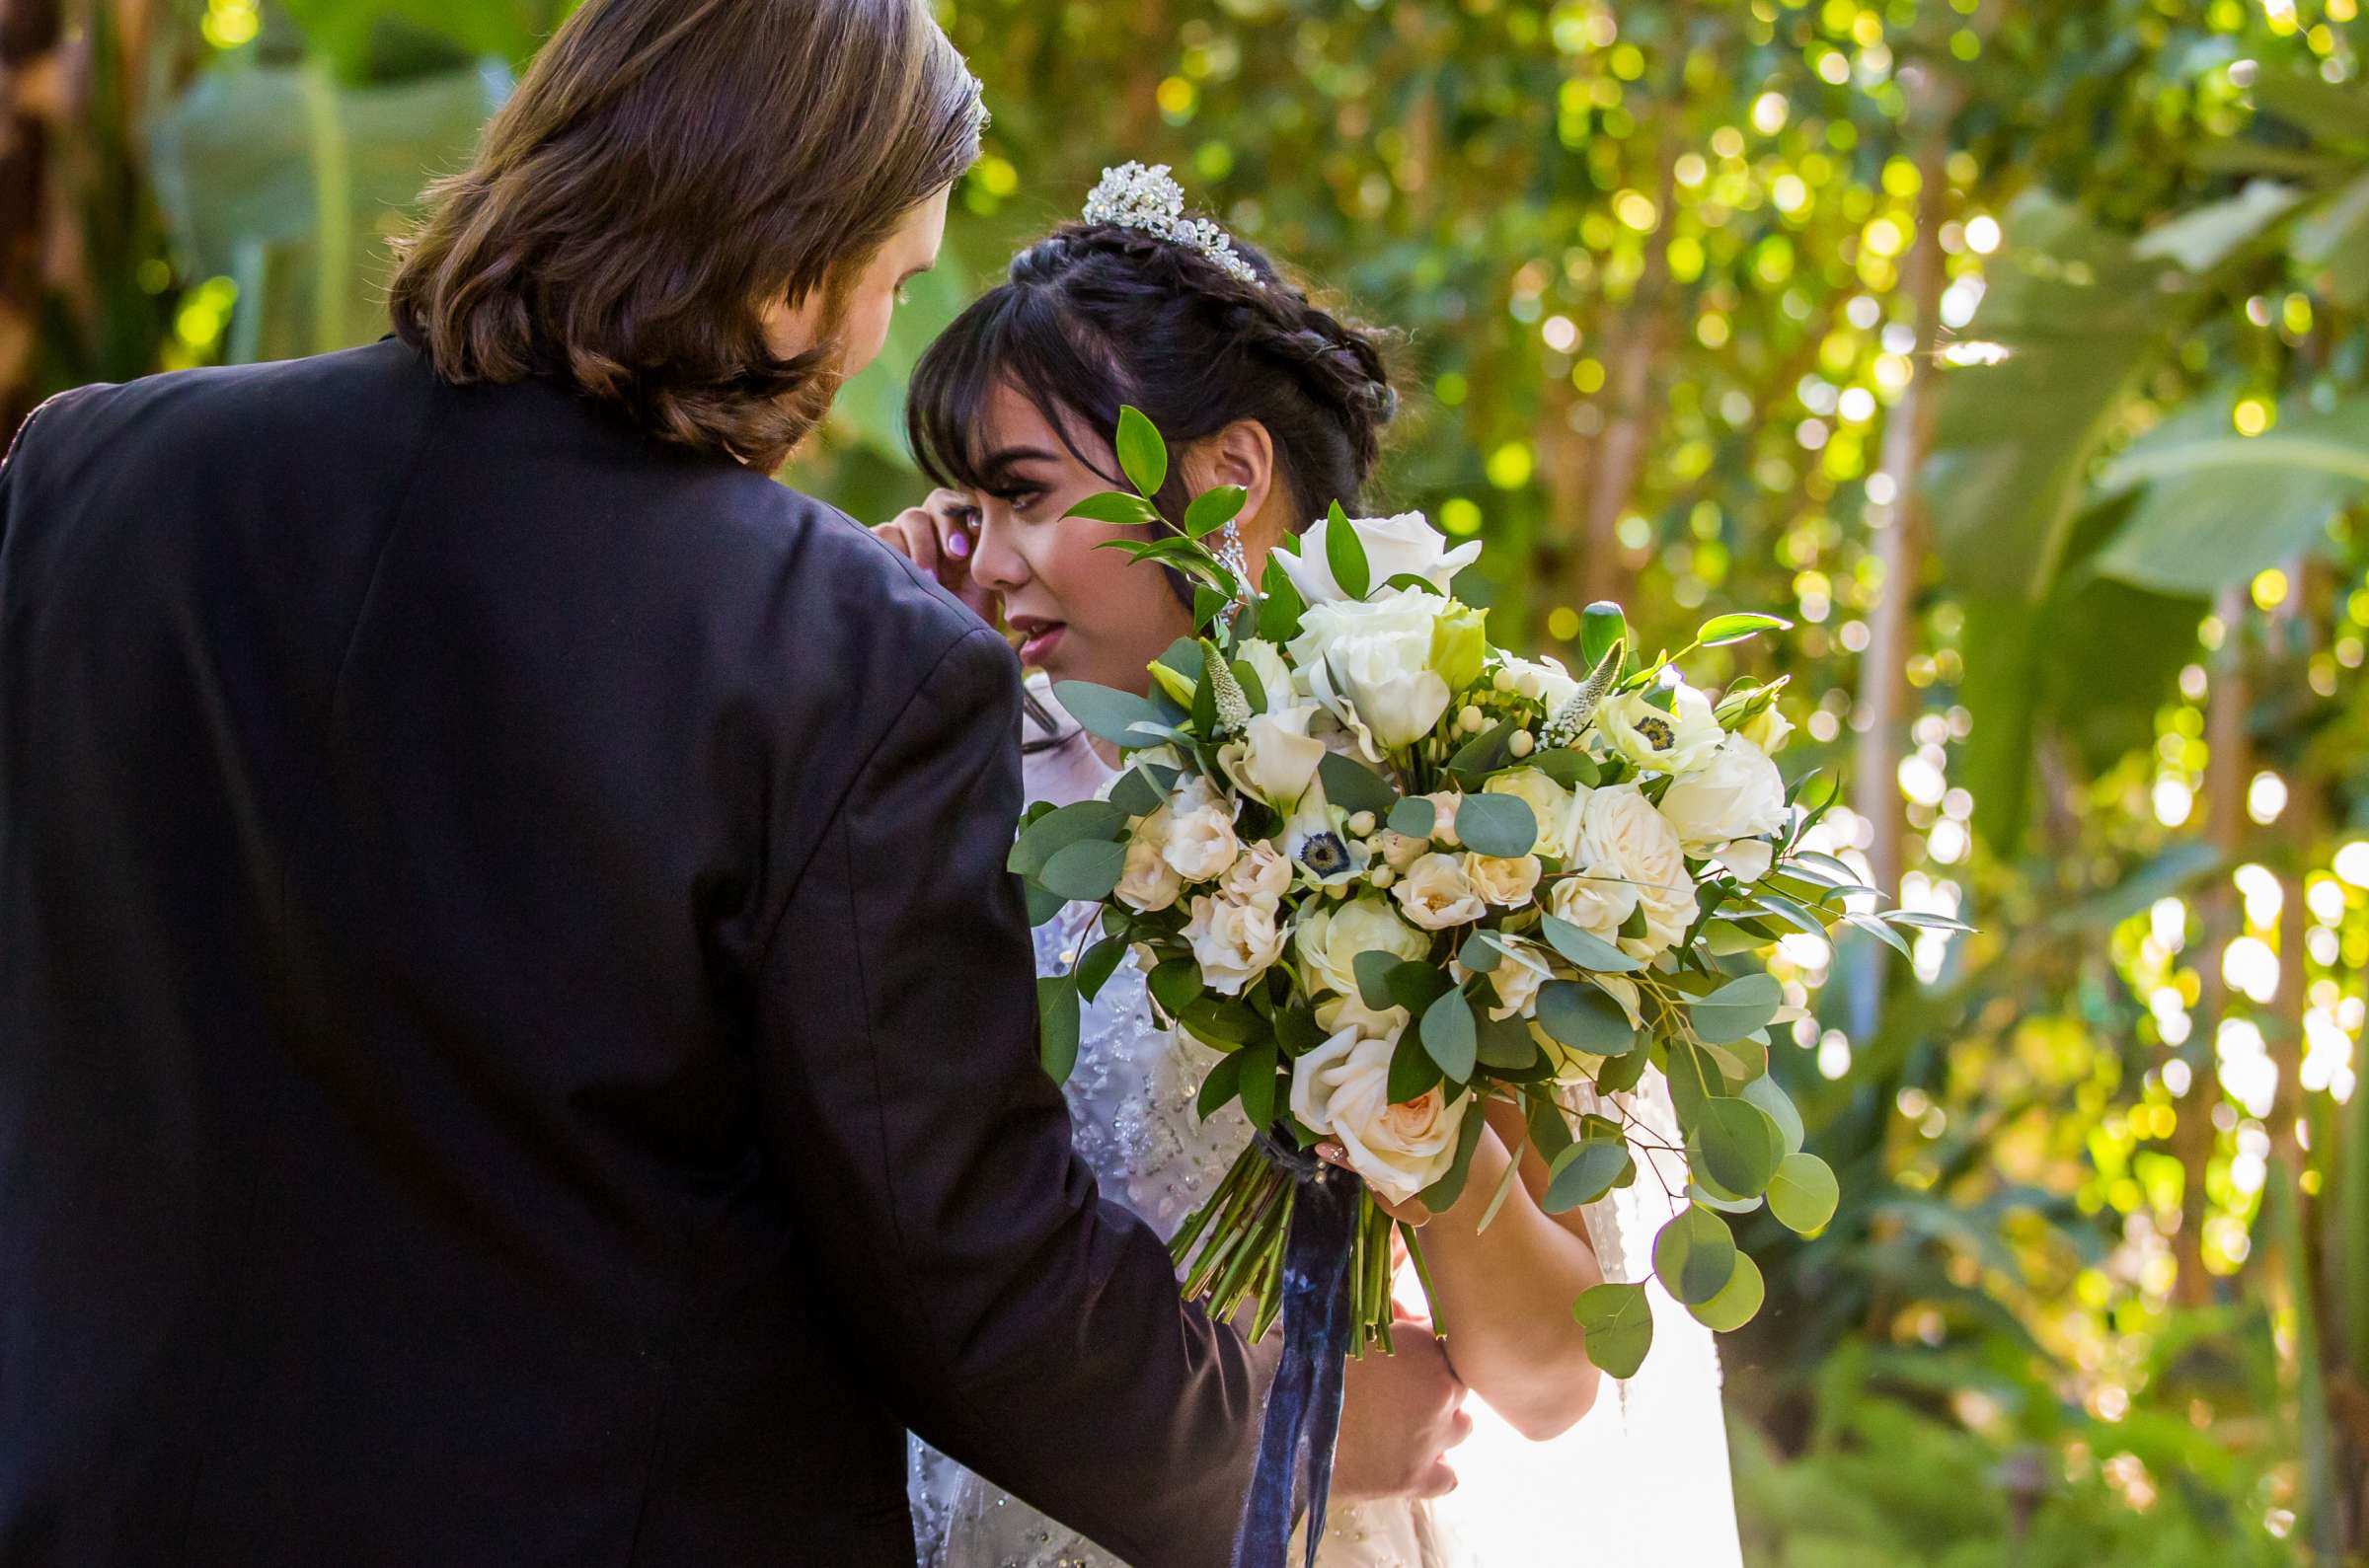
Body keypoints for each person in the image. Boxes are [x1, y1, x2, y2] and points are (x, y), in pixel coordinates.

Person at [0, 7, 1462, 1564]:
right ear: (782, 279)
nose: (856, 366)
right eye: (889, 288)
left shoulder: (89, 480)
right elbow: (971, 1281)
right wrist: (1298, 1424)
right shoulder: (839, 656)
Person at [879, 165, 1747, 1568]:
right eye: (967, 509)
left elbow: (1548, 1379)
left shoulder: (1445, 809)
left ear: (1226, 477)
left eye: (1022, 492)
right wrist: (866, 653)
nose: (989, 558)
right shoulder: (937, 783)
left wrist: (1424, 1139)